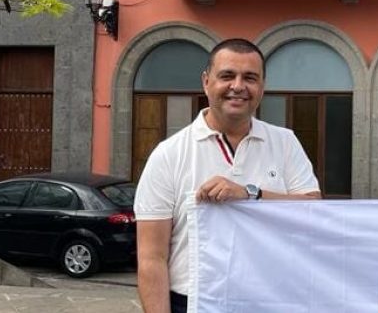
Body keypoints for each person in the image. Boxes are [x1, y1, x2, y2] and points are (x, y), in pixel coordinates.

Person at [134, 38, 321, 313]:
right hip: (194, 302)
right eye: (227, 76)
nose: (238, 86)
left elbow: (314, 211)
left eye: (250, 78)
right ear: (206, 81)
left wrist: (250, 193)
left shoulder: (285, 142)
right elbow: (152, 258)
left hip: (272, 299)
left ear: (262, 87)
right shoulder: (169, 154)